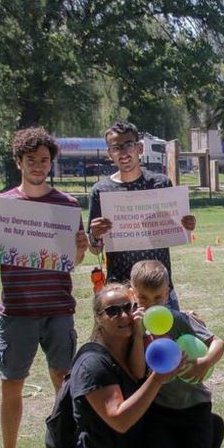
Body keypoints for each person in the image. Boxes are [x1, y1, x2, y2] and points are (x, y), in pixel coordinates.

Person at [0, 127, 88, 448]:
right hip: (17, 311)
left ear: (51, 162)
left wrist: (81, 247)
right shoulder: (3, 207)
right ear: (18, 161)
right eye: (31, 160)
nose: (38, 166)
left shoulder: (67, 205)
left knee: (63, 384)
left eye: (44, 160)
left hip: (57, 307)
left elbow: (75, 259)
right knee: (12, 384)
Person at [69, 283, 184, 448]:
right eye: (113, 311)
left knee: (205, 429)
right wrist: (157, 379)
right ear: (99, 319)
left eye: (129, 308)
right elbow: (119, 420)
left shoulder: (138, 346)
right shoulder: (92, 364)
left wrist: (188, 321)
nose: (124, 316)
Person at [127, 260, 224, 448]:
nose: (152, 304)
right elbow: (135, 368)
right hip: (159, 411)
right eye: (144, 298)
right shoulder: (134, 327)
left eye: (158, 298)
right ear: (133, 294)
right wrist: (137, 331)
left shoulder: (180, 319)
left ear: (168, 293)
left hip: (195, 407)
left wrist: (205, 362)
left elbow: (217, 342)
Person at [87, 121, 196, 308]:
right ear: (109, 153)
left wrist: (186, 225)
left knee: (165, 335)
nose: (123, 152)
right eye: (116, 147)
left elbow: (175, 231)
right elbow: (95, 249)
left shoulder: (160, 184)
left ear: (140, 148)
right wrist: (95, 235)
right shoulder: (101, 191)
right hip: (120, 289)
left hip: (159, 286)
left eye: (128, 145)